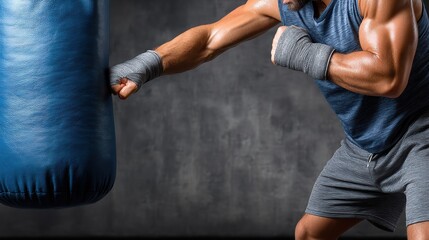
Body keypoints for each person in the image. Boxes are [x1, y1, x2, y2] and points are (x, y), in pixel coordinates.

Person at [110, 0, 429, 239]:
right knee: (309, 234)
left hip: (420, 134)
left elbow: (388, 77)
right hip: (363, 148)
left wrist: (307, 55)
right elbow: (209, 39)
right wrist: (147, 64)